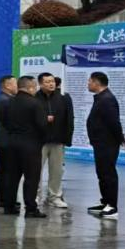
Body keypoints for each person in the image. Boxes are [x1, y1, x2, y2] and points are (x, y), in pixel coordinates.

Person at [0, 76, 47, 218]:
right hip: (30, 145)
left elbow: (4, 122)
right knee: (31, 177)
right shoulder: (35, 103)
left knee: (11, 176)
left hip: (11, 143)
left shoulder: (9, 102)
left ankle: (9, 206)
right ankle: (30, 208)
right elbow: (42, 126)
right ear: (30, 87)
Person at [86, 71, 124, 218]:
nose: (88, 84)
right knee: (102, 173)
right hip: (100, 143)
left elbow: (114, 122)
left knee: (108, 174)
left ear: (96, 83)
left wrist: (119, 138)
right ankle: (106, 202)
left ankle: (112, 206)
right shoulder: (101, 98)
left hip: (107, 143)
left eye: (90, 81)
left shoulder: (107, 99)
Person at [37, 73, 74, 209]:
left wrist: (67, 139)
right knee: (36, 170)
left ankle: (55, 196)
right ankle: (34, 196)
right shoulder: (34, 98)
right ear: (40, 84)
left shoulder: (63, 98)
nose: (51, 84)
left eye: (52, 81)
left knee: (57, 171)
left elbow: (69, 119)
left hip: (58, 140)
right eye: (47, 82)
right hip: (39, 141)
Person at [0, 75, 18, 210]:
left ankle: (4, 198)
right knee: (7, 171)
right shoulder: (6, 101)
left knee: (4, 170)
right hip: (7, 141)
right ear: (7, 86)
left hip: (3, 140)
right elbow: (10, 123)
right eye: (15, 83)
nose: (17, 86)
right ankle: (5, 199)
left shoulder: (4, 99)